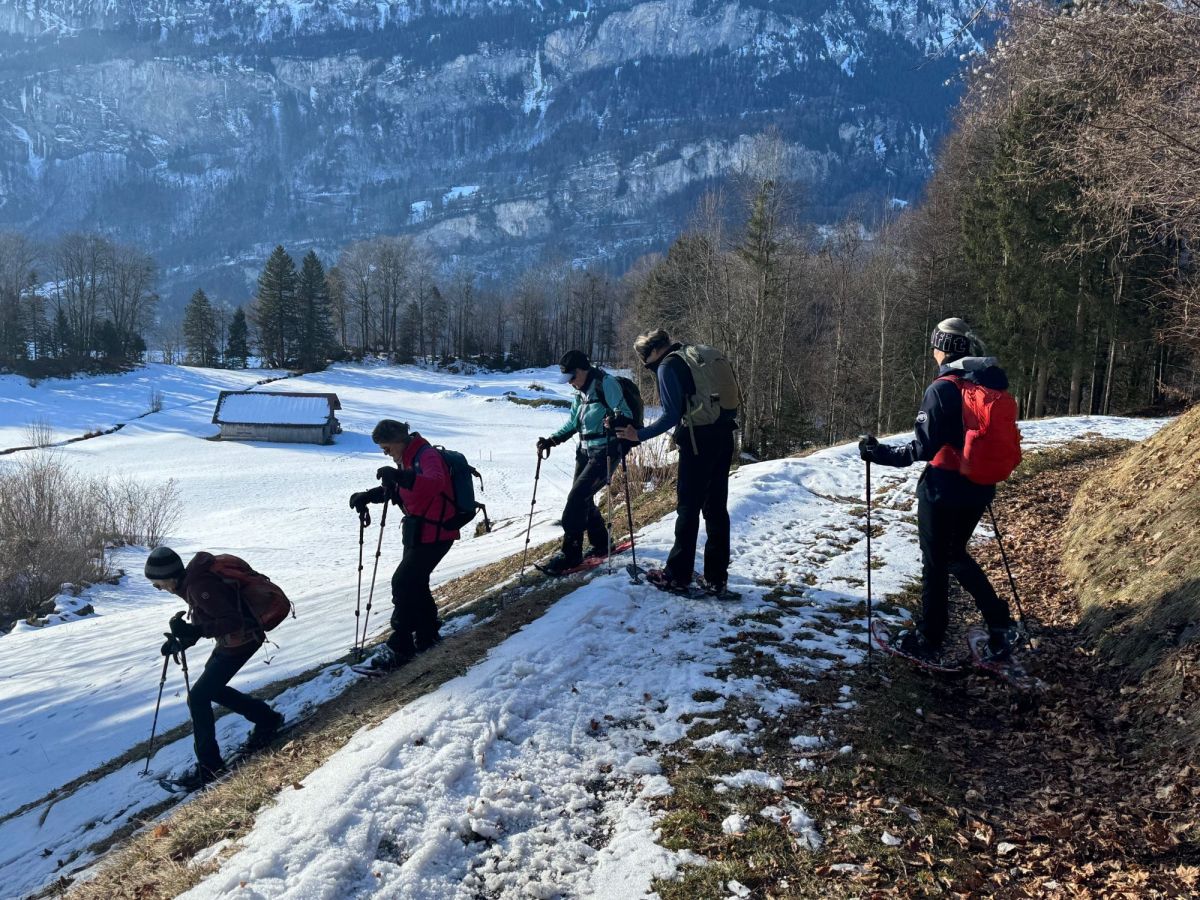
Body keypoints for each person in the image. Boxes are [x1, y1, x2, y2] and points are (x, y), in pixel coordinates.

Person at [858, 317, 1019, 664]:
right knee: (954, 554)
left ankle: (929, 637)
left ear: (942, 349)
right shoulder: (984, 383)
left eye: (935, 345)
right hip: (979, 485)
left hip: (943, 488)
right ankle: (1000, 624)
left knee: (936, 561)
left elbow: (922, 448)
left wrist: (876, 453)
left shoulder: (942, 388)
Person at [146, 546, 285, 791]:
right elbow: (209, 619)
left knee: (198, 698)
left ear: (169, 576)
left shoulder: (199, 586)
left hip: (242, 641)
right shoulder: (191, 583)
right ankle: (267, 719)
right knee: (212, 690)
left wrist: (195, 631)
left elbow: (232, 620)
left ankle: (210, 767)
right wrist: (182, 640)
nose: (158, 588)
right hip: (235, 641)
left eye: (157, 583)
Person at [616, 329, 738, 596]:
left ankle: (677, 576)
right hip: (724, 435)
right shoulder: (695, 355)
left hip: (697, 442)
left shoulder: (668, 366)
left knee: (688, 509)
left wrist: (639, 435)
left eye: (645, 360)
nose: (647, 366)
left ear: (652, 352)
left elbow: (670, 415)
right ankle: (716, 578)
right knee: (716, 509)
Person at [350, 419, 459, 671]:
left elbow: (434, 483)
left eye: (387, 447)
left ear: (399, 440)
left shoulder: (426, 455)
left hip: (437, 532)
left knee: (403, 582)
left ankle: (400, 647)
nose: (386, 453)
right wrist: (369, 496)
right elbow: (401, 489)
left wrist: (399, 475)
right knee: (416, 584)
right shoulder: (407, 458)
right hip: (419, 531)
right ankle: (427, 635)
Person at [536, 349, 632, 575]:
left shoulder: (605, 384)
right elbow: (573, 423)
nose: (570, 383)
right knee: (583, 498)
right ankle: (602, 543)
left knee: (577, 498)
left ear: (582, 370)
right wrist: (552, 440)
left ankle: (571, 553)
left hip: (606, 450)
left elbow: (625, 413)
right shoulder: (580, 392)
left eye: (571, 377)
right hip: (584, 450)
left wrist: (615, 420)